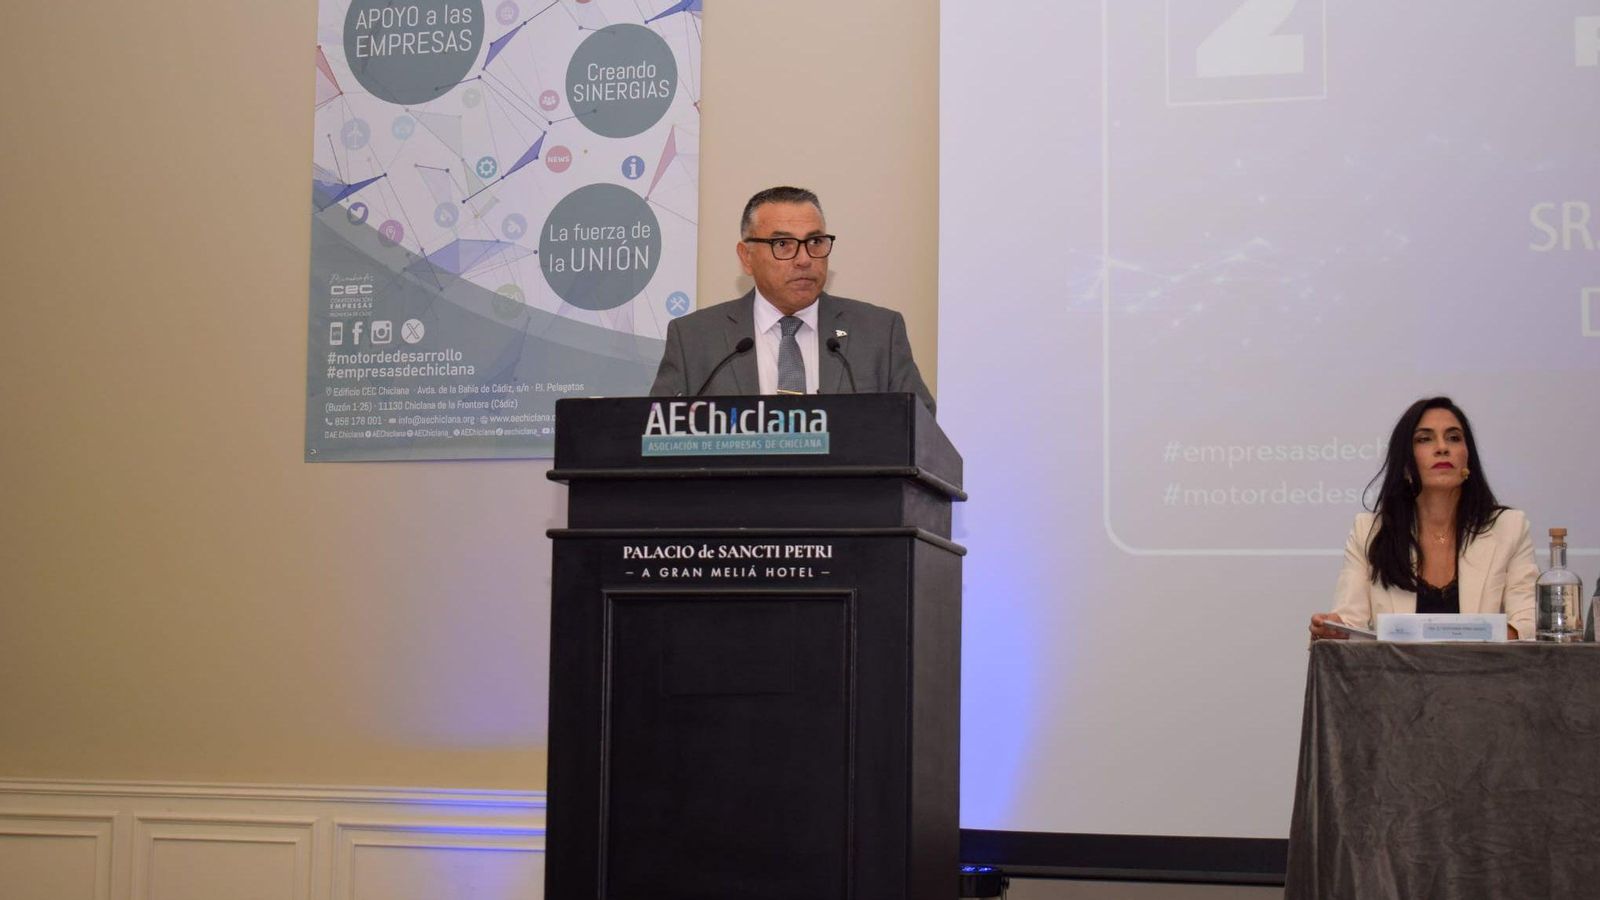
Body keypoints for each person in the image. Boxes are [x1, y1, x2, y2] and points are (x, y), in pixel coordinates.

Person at [649, 186, 935, 413]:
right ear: (746, 257)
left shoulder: (879, 332)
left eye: (815, 242)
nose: (804, 259)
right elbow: (656, 434)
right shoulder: (694, 339)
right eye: (782, 244)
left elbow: (920, 432)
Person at [1309, 397, 1537, 641]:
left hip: (1484, 675)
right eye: (1424, 439)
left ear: (1467, 458)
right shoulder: (1369, 531)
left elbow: (1527, 624)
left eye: (1453, 438)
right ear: (1406, 462)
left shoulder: (1509, 527)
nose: (1442, 448)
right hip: (1395, 678)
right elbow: (1350, 622)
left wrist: (1488, 636)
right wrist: (1335, 628)